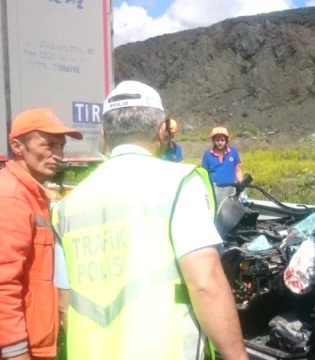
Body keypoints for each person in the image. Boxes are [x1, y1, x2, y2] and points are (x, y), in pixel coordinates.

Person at [51, 80, 248, 360]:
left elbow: (64, 304)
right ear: (161, 131)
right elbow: (205, 283)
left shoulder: (66, 206)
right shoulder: (179, 183)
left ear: (105, 135)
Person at [0, 108, 83, 360]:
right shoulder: (11, 197)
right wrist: (16, 352)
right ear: (17, 146)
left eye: (61, 146)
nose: (57, 155)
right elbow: (3, 284)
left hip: (38, 343)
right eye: (48, 145)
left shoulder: (35, 194)